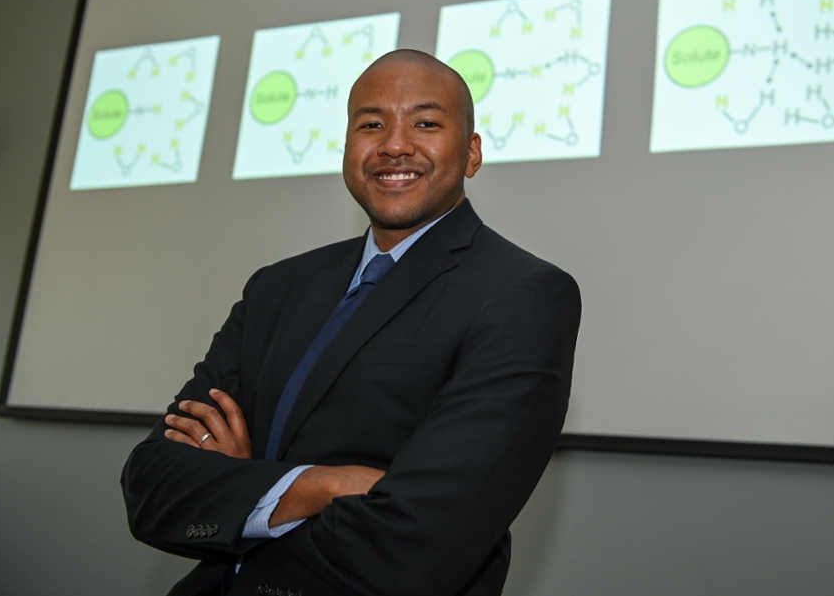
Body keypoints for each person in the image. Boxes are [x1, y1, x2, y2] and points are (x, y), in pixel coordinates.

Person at [121, 49, 582, 596]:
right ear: (347, 147)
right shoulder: (277, 287)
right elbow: (152, 485)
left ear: (472, 153)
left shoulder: (523, 294)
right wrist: (319, 485)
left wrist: (243, 498)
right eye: (371, 124)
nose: (394, 145)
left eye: (426, 123)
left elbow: (418, 545)